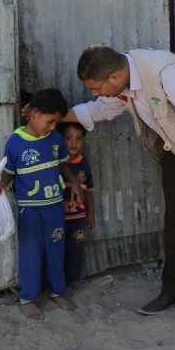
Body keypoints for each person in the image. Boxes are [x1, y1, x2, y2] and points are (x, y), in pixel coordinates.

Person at [65, 44, 175, 326]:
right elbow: (100, 110)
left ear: (113, 77)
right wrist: (57, 117)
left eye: (96, 88)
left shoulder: (165, 74)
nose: (96, 94)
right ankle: (174, 290)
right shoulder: (123, 81)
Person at [0, 88, 84, 320]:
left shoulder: (55, 139)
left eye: (57, 123)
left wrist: (75, 183)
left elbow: (62, 165)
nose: (53, 127)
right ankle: (28, 297)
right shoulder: (15, 143)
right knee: (31, 253)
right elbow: (9, 171)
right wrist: (0, 185)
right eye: (50, 121)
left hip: (54, 207)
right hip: (29, 209)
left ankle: (57, 291)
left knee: (56, 250)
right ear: (33, 115)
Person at [58, 122, 95, 286]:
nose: (73, 143)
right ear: (61, 139)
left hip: (78, 217)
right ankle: (59, 280)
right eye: (69, 138)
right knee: (59, 248)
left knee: (76, 248)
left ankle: (73, 278)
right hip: (59, 217)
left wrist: (91, 214)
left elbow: (89, 191)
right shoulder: (57, 164)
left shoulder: (83, 165)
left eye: (78, 139)